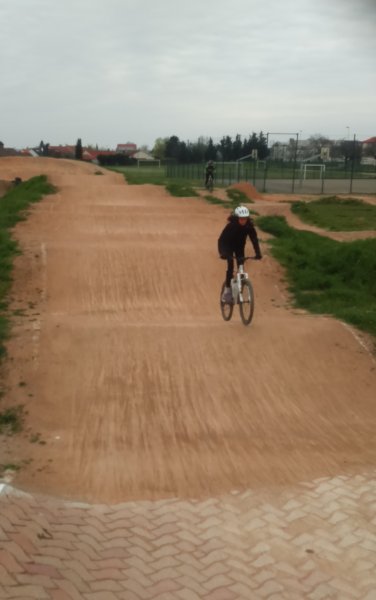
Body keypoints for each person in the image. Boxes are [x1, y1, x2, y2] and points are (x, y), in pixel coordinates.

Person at [218, 205, 262, 303]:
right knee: (230, 265)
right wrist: (223, 253)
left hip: (239, 247)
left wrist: (258, 253)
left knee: (241, 266)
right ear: (237, 218)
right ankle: (227, 291)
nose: (243, 221)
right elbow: (221, 240)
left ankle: (239, 289)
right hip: (228, 246)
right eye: (241, 219)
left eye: (245, 219)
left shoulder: (249, 227)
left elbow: (254, 240)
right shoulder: (230, 226)